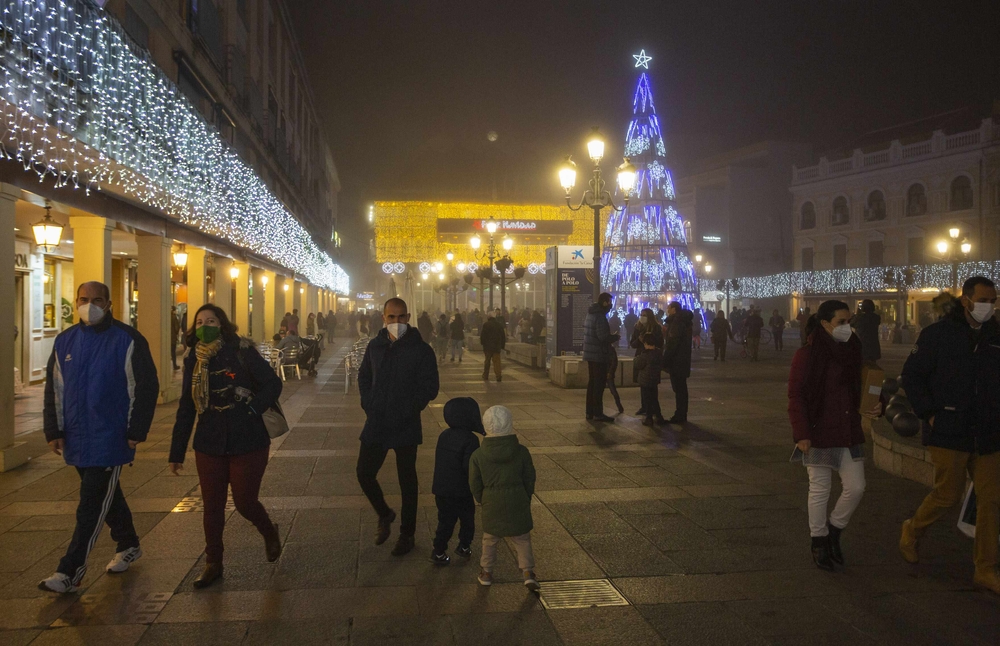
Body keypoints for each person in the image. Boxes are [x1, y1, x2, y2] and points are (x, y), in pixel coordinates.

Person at [39, 282, 159, 593]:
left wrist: (135, 431)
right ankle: (129, 542)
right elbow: (54, 389)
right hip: (78, 436)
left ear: (108, 304)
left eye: (96, 300)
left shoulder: (127, 339)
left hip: (111, 436)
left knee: (90, 505)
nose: (88, 304)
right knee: (107, 494)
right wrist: (54, 430)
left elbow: (144, 387)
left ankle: (70, 570)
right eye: (83, 299)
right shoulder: (65, 341)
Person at [168, 304, 283, 588]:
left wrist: (252, 410)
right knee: (212, 506)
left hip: (248, 437)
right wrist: (176, 451)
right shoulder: (193, 359)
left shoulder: (242, 351)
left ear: (223, 324)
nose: (205, 325)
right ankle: (213, 563)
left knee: (244, 501)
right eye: (200, 321)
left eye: (211, 320)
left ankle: (269, 531)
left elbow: (272, 384)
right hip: (209, 440)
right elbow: (186, 405)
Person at [899, 277, 1000, 594]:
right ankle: (913, 530)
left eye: (993, 300)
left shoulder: (997, 335)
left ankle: (985, 568)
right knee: (947, 495)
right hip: (949, 429)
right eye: (984, 299)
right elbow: (912, 375)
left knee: (992, 501)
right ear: (966, 299)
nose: (989, 305)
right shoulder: (938, 334)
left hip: (989, 433)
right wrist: (929, 412)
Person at [788, 299, 880, 571]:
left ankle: (835, 529)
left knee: (856, 486)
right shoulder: (807, 354)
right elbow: (797, 396)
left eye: (849, 321)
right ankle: (819, 540)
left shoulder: (853, 349)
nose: (847, 326)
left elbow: (866, 383)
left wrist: (877, 402)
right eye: (841, 322)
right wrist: (801, 433)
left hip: (848, 429)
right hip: (819, 430)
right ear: (826, 324)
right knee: (819, 488)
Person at [357, 298, 440, 556]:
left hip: (405, 423)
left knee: (408, 481)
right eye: (391, 317)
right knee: (364, 472)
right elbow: (364, 377)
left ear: (408, 317)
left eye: (401, 317)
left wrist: (410, 408)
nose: (396, 322)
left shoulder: (421, 349)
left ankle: (407, 534)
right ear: (383, 318)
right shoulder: (375, 346)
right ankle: (385, 513)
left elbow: (430, 387)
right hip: (378, 420)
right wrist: (369, 404)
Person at [469, 406, 539, 591]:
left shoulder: (478, 455)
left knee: (490, 540)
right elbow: (529, 476)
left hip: (492, 501)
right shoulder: (521, 451)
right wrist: (525, 495)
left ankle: (486, 572)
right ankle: (527, 573)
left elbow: (474, 482)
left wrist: (482, 498)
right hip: (517, 499)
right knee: (522, 538)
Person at [430, 398, 485, 565]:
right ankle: (464, 546)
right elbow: (470, 468)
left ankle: (439, 550)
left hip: (442, 489)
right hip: (461, 491)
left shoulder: (444, 435)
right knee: (467, 520)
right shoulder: (471, 440)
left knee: (445, 521)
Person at [582, 292, 619, 422]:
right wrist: (614, 337)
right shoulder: (600, 316)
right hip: (598, 354)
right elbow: (603, 336)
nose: (610, 305)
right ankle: (598, 413)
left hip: (590, 353)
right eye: (609, 302)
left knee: (592, 383)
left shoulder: (590, 314)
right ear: (604, 302)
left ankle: (589, 412)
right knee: (598, 385)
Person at [662, 301, 693, 424]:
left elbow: (672, 344)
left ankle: (680, 414)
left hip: (677, 361)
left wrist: (665, 361)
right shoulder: (682, 322)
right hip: (682, 360)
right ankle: (681, 413)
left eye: (669, 308)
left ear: (674, 309)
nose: (667, 310)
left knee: (679, 389)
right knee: (681, 389)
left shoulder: (677, 323)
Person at [630, 308, 662, 416]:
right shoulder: (637, 327)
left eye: (644, 315)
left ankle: (652, 409)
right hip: (641, 356)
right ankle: (645, 407)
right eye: (641, 314)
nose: (642, 317)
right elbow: (632, 344)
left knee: (651, 385)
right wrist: (638, 340)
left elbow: (660, 343)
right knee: (642, 383)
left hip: (652, 358)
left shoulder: (656, 328)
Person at [635, 331, 665, 426]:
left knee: (647, 399)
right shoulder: (658, 353)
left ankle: (649, 418)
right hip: (654, 380)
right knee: (654, 398)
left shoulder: (645, 355)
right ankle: (659, 416)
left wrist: (637, 357)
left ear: (645, 343)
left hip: (645, 380)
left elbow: (637, 364)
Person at [851, 299, 881, 365]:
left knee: (863, 366)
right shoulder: (876, 317)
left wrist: (857, 314)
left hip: (863, 344)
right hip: (873, 344)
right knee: (873, 365)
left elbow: (851, 323)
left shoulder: (860, 318)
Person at [480, 309, 506, 382]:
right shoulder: (499, 325)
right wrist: (502, 346)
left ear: (488, 317)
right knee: (497, 362)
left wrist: (482, 343)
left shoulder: (486, 325)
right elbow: (503, 336)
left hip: (487, 347)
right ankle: (498, 375)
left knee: (487, 361)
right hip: (496, 347)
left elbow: (483, 336)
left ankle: (486, 375)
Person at [171, 305, 181, 370]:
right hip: (172, 338)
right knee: (173, 352)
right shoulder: (174, 317)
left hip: (167, 338)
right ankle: (174, 365)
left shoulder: (165, 317)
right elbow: (177, 327)